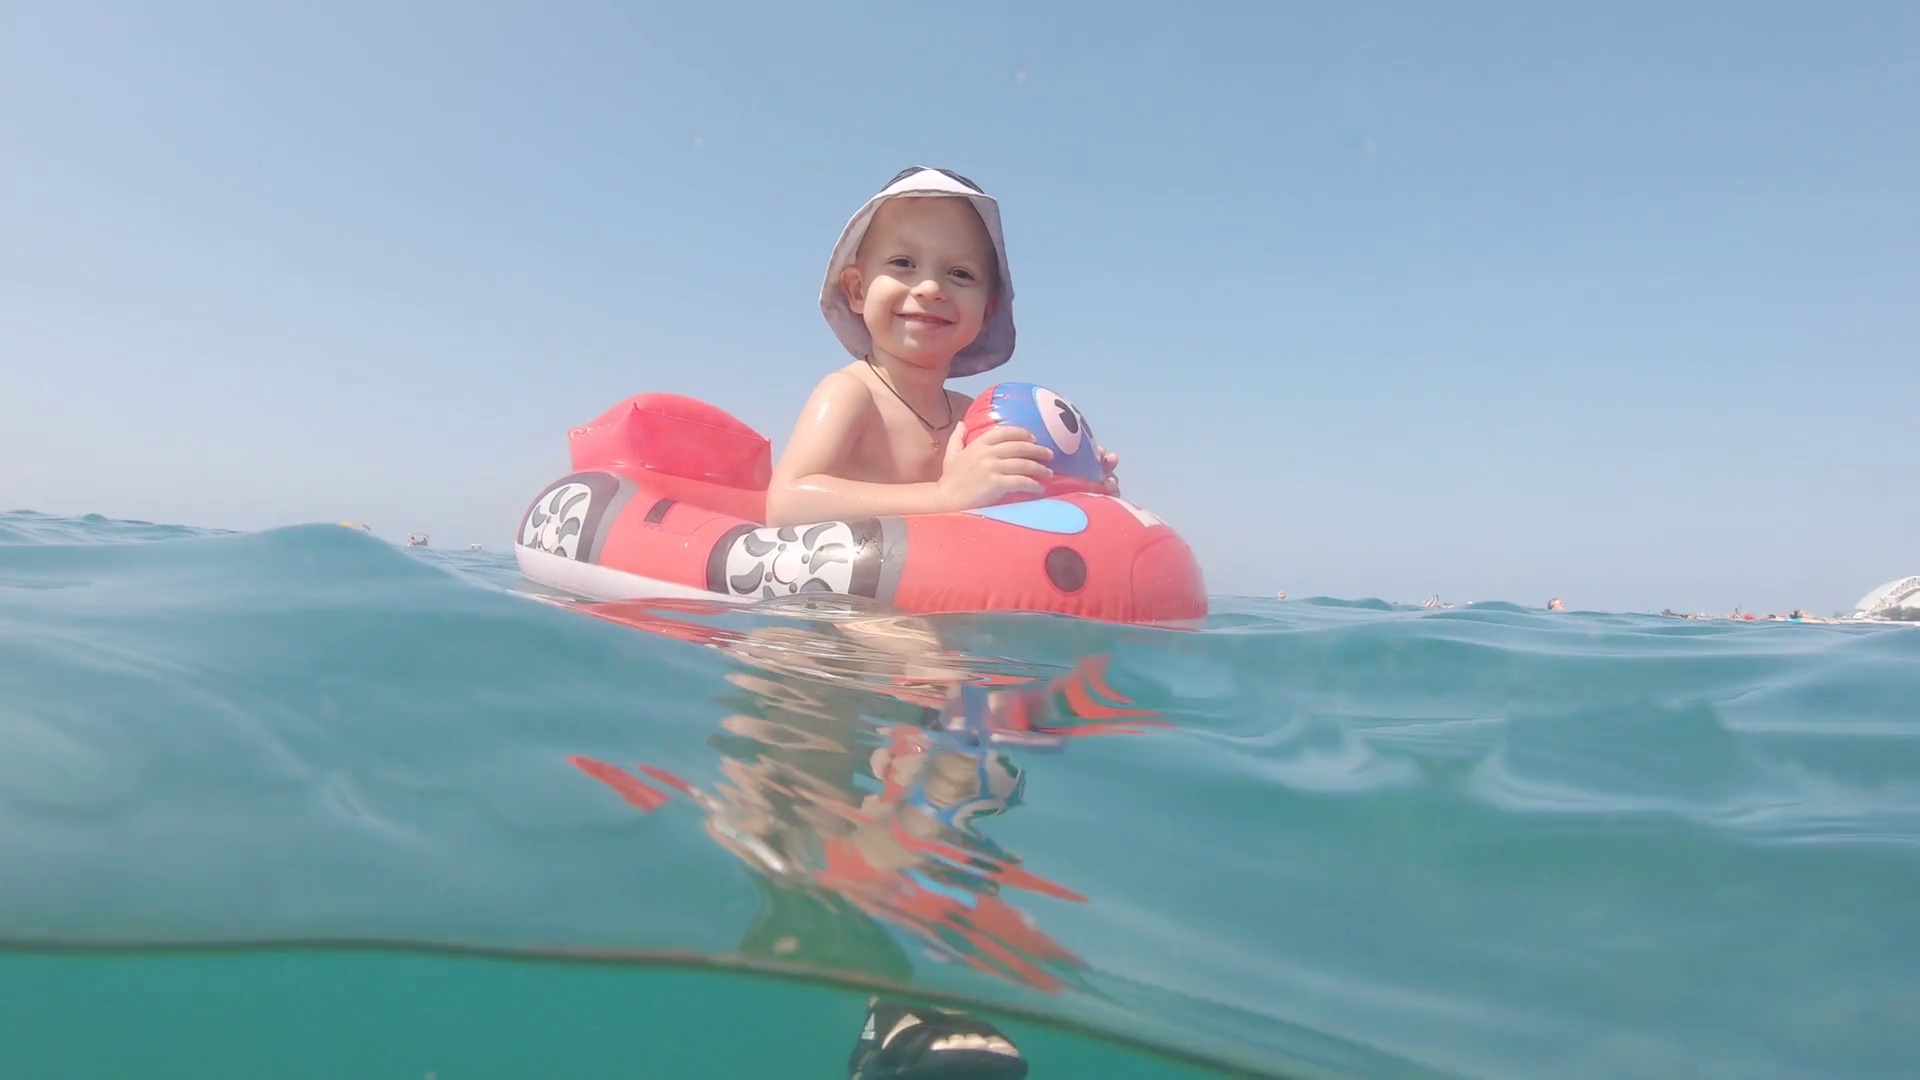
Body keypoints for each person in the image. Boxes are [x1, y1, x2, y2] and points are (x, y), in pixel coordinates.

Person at [767, 167, 1119, 527]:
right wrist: (941, 496)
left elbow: (1012, 505)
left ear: (988, 309)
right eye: (903, 263)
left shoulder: (975, 418)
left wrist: (1078, 481)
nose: (930, 287)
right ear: (857, 290)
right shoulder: (852, 393)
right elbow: (786, 502)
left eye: (961, 273)